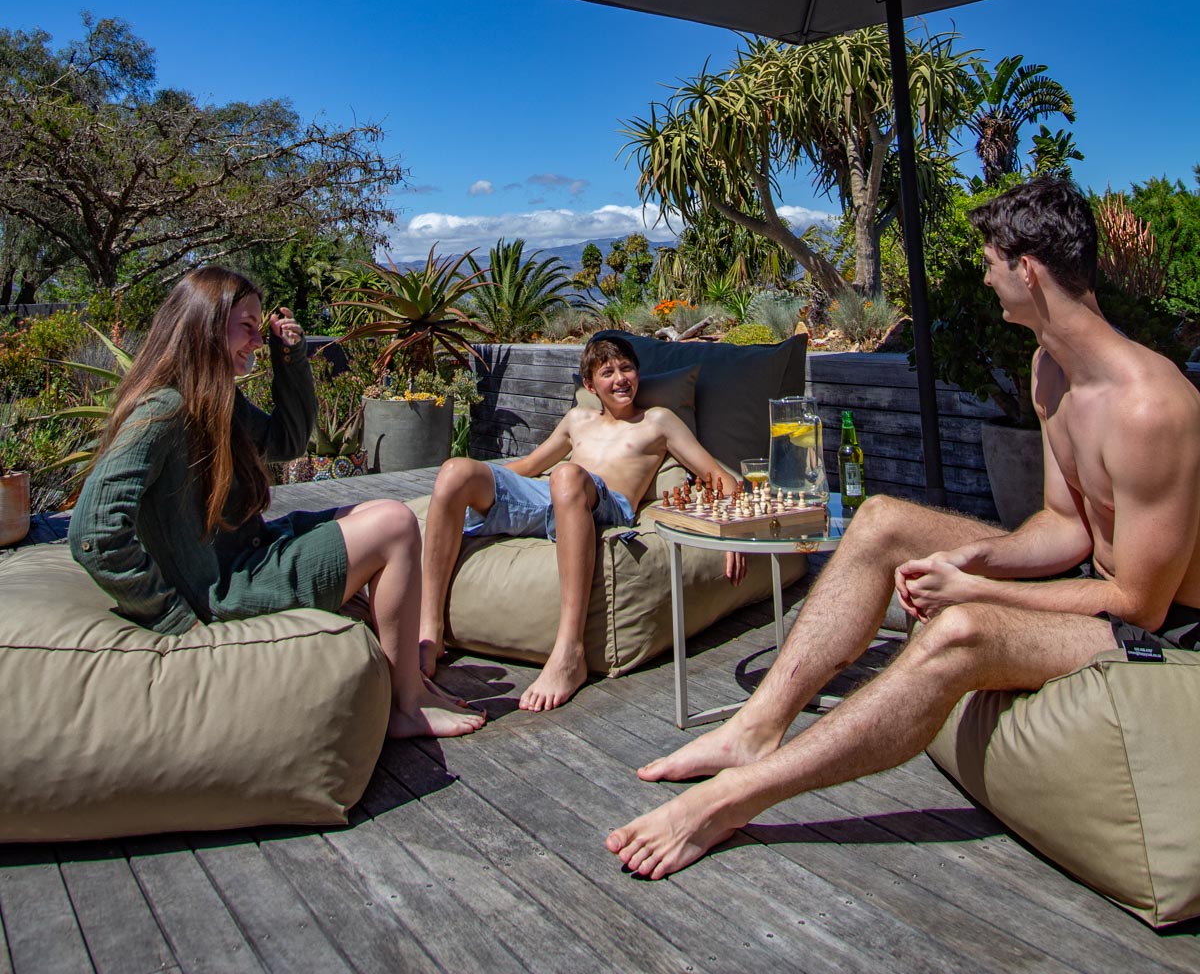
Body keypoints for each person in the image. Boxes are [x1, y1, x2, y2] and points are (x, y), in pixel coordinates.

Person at [607, 178, 1200, 879]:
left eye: (989, 262)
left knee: (959, 628)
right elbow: (1067, 525)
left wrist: (975, 593)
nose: (984, 278)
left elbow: (1140, 604)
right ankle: (753, 729)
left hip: (1164, 631)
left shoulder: (1149, 408)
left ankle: (734, 799)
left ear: (1028, 270)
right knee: (884, 519)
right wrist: (982, 556)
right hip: (1094, 588)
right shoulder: (1050, 370)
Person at [68, 266, 485, 740]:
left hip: (248, 553)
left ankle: (409, 679)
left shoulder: (211, 397)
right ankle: (406, 704)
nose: (254, 338)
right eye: (247, 326)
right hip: (225, 589)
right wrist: (171, 616)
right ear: (207, 323)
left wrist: (288, 357)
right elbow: (93, 531)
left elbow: (286, 442)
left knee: (378, 511)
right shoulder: (164, 408)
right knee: (393, 523)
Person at [420, 334, 747, 711]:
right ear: (590, 385)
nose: (621, 378)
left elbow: (719, 477)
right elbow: (527, 468)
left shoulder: (658, 421)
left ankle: (569, 653)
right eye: (608, 372)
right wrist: (460, 493)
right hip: (551, 498)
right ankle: (430, 630)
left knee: (567, 476)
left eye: (627, 368)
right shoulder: (577, 420)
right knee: (455, 471)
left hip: (607, 503)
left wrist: (733, 531)